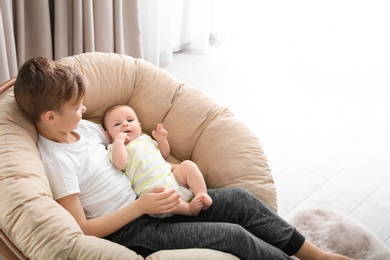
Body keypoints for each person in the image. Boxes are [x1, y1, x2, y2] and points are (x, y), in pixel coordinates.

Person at [14, 56, 351, 260]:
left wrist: (164, 162)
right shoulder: (56, 161)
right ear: (49, 117)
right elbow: (84, 230)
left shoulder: (85, 130)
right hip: (132, 228)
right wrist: (140, 207)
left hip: (156, 198)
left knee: (240, 199)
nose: (85, 109)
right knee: (232, 235)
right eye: (76, 107)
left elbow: (131, 144)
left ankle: (315, 254)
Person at [102, 104, 212, 217]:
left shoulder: (145, 139)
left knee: (188, 165)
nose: (125, 124)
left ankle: (201, 195)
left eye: (130, 120)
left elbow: (164, 155)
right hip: (156, 196)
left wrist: (162, 140)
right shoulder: (115, 147)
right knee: (163, 193)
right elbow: (120, 164)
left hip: (174, 179)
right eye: (117, 124)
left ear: (139, 127)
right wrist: (119, 141)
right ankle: (189, 209)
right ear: (109, 135)